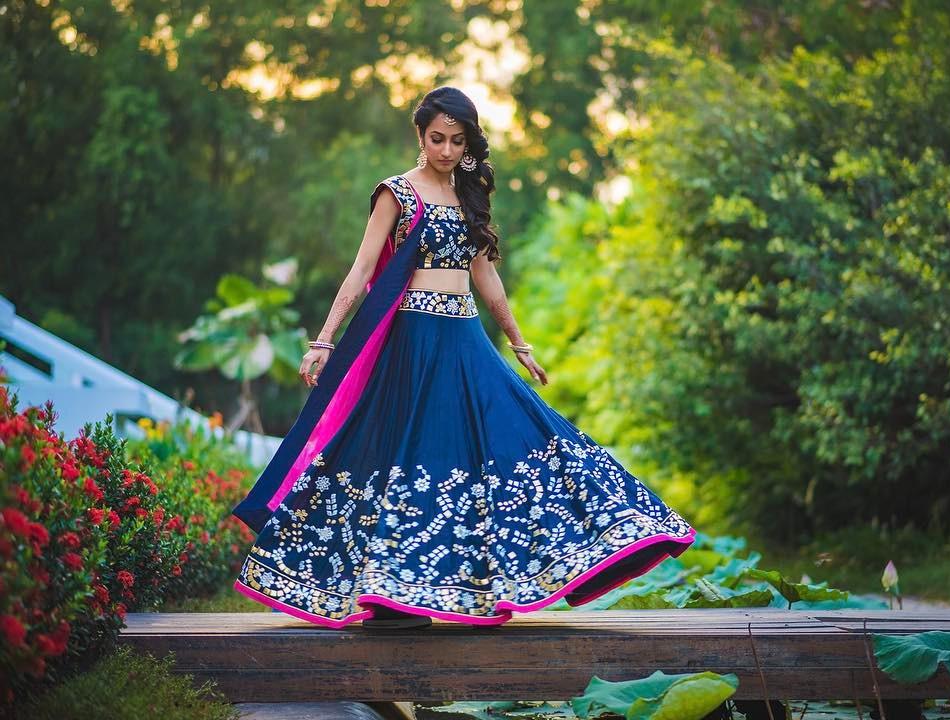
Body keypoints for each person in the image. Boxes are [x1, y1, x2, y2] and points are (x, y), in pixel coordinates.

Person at [231, 86, 696, 630]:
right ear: (419, 135)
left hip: (465, 336)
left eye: (457, 140)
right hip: (412, 342)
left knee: (515, 428)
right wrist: (324, 340)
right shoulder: (397, 194)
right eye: (437, 139)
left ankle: (514, 567)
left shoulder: (469, 197)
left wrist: (519, 343)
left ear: (469, 142)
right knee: (400, 452)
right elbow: (360, 271)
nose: (447, 150)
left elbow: (485, 277)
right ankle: (391, 594)